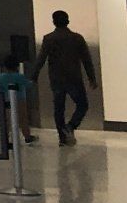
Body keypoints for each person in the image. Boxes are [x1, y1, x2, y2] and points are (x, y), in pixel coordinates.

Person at [32, 9, 96, 145]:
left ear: (54, 22)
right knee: (82, 105)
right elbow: (86, 60)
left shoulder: (48, 38)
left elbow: (41, 59)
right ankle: (71, 126)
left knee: (59, 108)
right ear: (68, 20)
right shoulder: (77, 38)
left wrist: (34, 76)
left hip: (56, 79)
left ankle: (62, 138)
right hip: (74, 78)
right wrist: (92, 78)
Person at [0, 52, 37, 145]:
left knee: (6, 120)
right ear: (17, 66)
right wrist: (33, 81)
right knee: (23, 119)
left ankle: (5, 138)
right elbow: (28, 85)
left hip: (5, 101)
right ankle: (27, 136)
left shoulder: (0, 77)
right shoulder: (19, 76)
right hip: (20, 100)